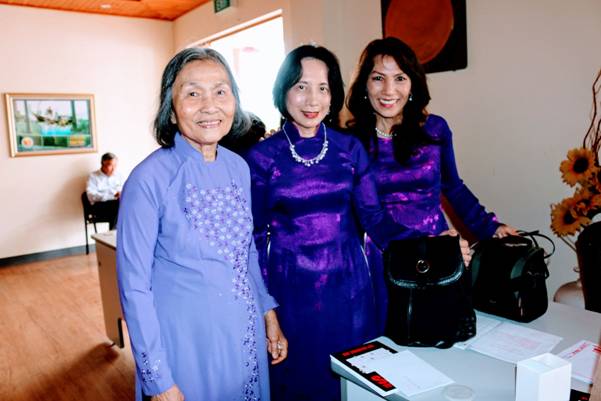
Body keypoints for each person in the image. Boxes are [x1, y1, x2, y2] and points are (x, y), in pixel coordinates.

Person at [245, 44, 423, 401]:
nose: (313, 99)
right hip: (289, 294)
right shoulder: (261, 157)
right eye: (301, 86)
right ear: (283, 90)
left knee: (354, 385)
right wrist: (266, 311)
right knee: (298, 385)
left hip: (350, 291)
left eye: (323, 88)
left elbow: (375, 219)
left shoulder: (349, 149)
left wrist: (429, 245)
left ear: (333, 95)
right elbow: (252, 241)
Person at [116, 47, 287, 401]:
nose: (210, 106)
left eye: (221, 91)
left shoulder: (238, 167)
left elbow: (246, 253)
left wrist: (268, 314)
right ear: (171, 108)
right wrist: (158, 381)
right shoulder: (148, 180)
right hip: (186, 347)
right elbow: (134, 287)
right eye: (193, 93)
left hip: (245, 336)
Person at [346, 37, 518, 332]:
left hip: (438, 244)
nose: (389, 90)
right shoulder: (351, 144)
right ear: (364, 84)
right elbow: (368, 217)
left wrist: (490, 227)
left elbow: (454, 186)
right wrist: (427, 247)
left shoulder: (435, 129)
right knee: (393, 335)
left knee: (442, 330)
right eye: (378, 78)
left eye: (400, 78)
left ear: (413, 83)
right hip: (385, 251)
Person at [86, 152, 123, 229]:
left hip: (117, 205)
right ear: (103, 164)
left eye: (115, 165)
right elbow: (91, 196)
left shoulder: (119, 176)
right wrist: (112, 196)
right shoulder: (93, 176)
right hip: (100, 207)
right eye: (111, 165)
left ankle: (114, 231)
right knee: (117, 207)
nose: (113, 168)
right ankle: (114, 232)